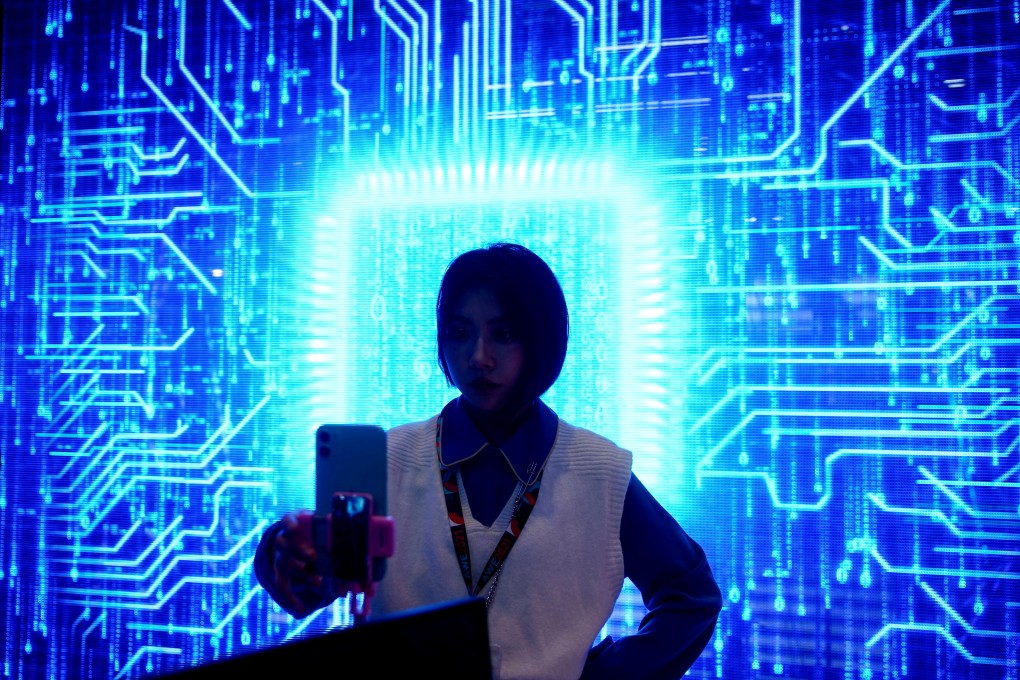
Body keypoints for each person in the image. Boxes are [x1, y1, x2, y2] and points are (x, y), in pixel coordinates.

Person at [255, 242, 722, 679]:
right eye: (460, 333)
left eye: (504, 334)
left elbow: (691, 597)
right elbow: (312, 586)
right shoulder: (391, 459)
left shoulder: (598, 472)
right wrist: (287, 553)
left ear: (541, 340)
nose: (478, 357)